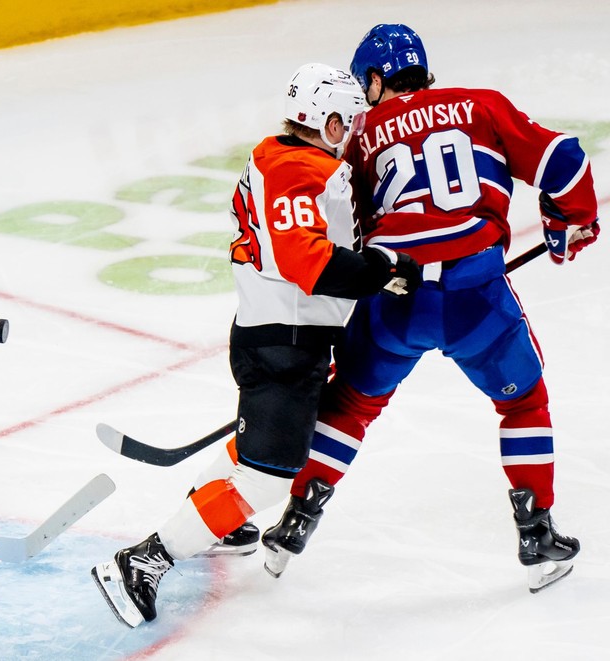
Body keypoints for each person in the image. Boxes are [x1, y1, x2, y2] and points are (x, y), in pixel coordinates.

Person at [260, 24, 598, 593]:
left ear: (373, 80)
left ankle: (297, 519)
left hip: (394, 296)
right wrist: (569, 221)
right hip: (477, 298)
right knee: (522, 404)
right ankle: (536, 532)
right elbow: (564, 158)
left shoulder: (358, 135)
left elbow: (338, 233)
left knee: (350, 403)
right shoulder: (482, 107)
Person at [91, 62, 422, 628]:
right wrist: (377, 268)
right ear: (327, 118)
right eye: (348, 121)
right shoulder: (297, 170)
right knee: (270, 477)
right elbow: (306, 261)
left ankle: (222, 520)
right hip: (283, 344)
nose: (354, 131)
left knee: (256, 459)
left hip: (279, 334)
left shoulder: (284, 156)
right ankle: (143, 561)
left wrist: (369, 271)